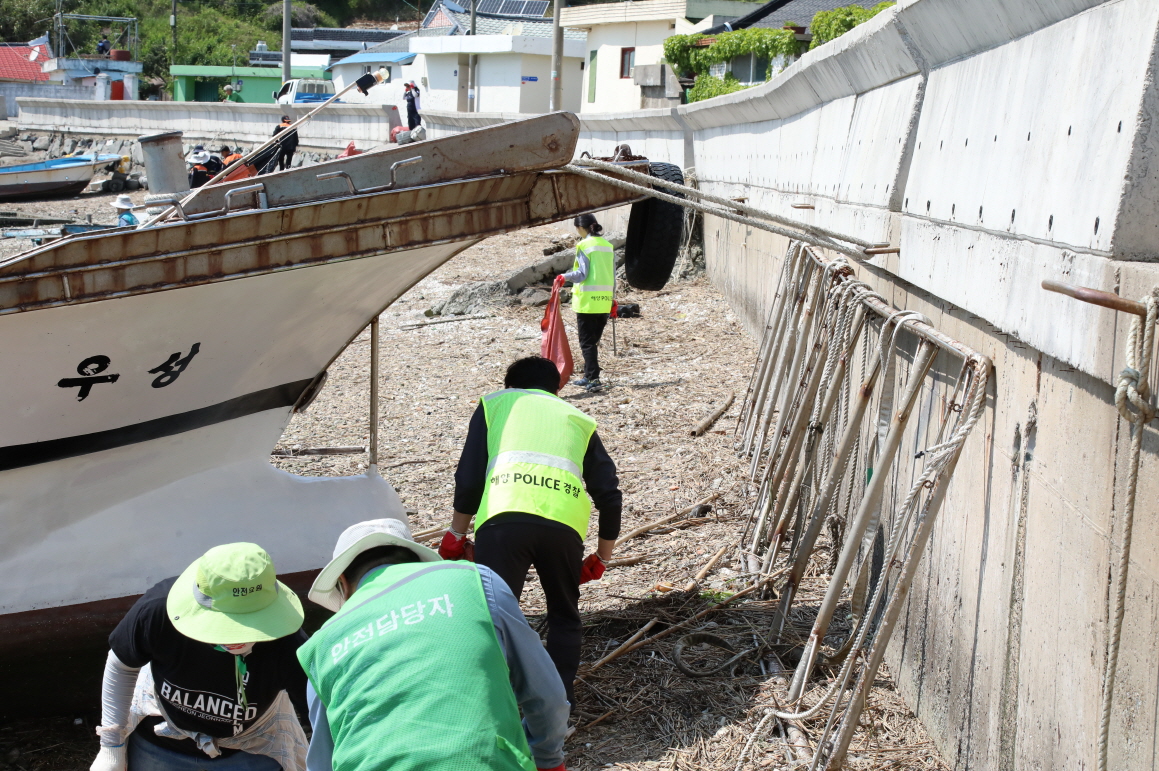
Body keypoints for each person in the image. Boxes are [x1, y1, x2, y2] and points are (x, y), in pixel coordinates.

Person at [299, 518, 569, 771]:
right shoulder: (475, 581)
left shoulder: (322, 645)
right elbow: (547, 695)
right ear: (416, 561)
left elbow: (322, 761)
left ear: (342, 582)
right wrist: (549, 759)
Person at [445, 355, 622, 705]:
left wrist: (456, 535)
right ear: (557, 390)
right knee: (564, 615)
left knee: (494, 616)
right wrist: (602, 557)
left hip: (503, 517)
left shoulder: (495, 404)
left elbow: (469, 479)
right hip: (564, 524)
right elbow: (610, 495)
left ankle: (496, 705)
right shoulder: (578, 418)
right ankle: (559, 709)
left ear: (510, 386)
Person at [88, 543, 310, 771]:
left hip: (252, 749)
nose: (237, 636)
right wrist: (111, 748)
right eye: (228, 623)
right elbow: (122, 665)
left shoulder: (289, 644)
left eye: (250, 622)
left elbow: (319, 711)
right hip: (160, 741)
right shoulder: (159, 610)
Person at [555, 213, 615, 392]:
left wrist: (564, 276)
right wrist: (613, 299)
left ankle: (594, 378)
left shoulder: (584, 245)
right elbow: (612, 275)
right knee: (593, 342)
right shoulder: (608, 246)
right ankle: (589, 375)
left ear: (581, 228)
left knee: (587, 343)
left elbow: (582, 274)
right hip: (604, 302)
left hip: (588, 303)